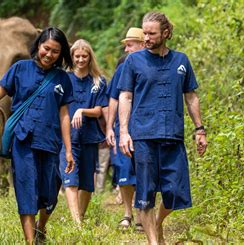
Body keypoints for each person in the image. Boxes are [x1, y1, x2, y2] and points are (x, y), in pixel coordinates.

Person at [0, 27, 75, 244]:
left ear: (61, 54)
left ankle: (41, 227)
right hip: (23, 141)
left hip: (50, 142)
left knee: (50, 191)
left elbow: (64, 116)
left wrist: (69, 150)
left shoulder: (62, 79)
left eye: (55, 51)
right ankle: (30, 240)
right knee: (26, 189)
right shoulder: (20, 69)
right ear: (38, 46)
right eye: (46, 48)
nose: (49, 54)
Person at [118, 12, 208, 244]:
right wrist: (124, 132)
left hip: (173, 135)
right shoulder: (134, 61)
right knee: (146, 194)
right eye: (144, 33)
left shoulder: (181, 61)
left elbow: (191, 97)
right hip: (143, 136)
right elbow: (125, 97)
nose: (146, 37)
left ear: (166, 33)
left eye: (151, 33)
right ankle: (153, 241)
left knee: (176, 193)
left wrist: (200, 130)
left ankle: (157, 223)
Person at [59, 39, 108, 224]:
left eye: (84, 56)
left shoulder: (98, 81)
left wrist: (81, 110)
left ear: (90, 57)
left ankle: (80, 216)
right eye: (77, 56)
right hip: (67, 138)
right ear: (71, 57)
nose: (80, 60)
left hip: (89, 136)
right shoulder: (63, 78)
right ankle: (77, 223)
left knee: (87, 183)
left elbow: (98, 111)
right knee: (71, 179)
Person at [105, 27, 145, 230]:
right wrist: (110, 127)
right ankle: (128, 213)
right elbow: (113, 97)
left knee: (143, 173)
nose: (127, 50)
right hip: (124, 128)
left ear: (142, 44)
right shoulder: (122, 68)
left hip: (146, 128)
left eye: (130, 45)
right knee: (123, 171)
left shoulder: (153, 66)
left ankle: (141, 216)